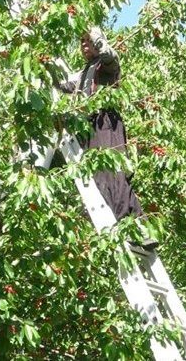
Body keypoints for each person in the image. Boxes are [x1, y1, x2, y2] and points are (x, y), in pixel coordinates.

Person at [60, 26, 158, 250]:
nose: (85, 45)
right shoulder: (85, 71)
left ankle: (134, 227)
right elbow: (66, 85)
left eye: (89, 41)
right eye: (82, 42)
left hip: (106, 122)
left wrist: (99, 41)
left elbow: (111, 57)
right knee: (99, 176)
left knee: (112, 174)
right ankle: (127, 226)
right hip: (89, 126)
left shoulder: (105, 64)